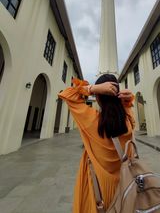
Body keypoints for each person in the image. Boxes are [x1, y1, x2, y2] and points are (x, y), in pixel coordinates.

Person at [57, 73, 135, 213]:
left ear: (98, 97)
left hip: (97, 190)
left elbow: (66, 94)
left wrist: (92, 88)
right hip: (124, 188)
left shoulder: (91, 121)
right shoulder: (128, 123)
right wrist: (127, 102)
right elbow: (127, 111)